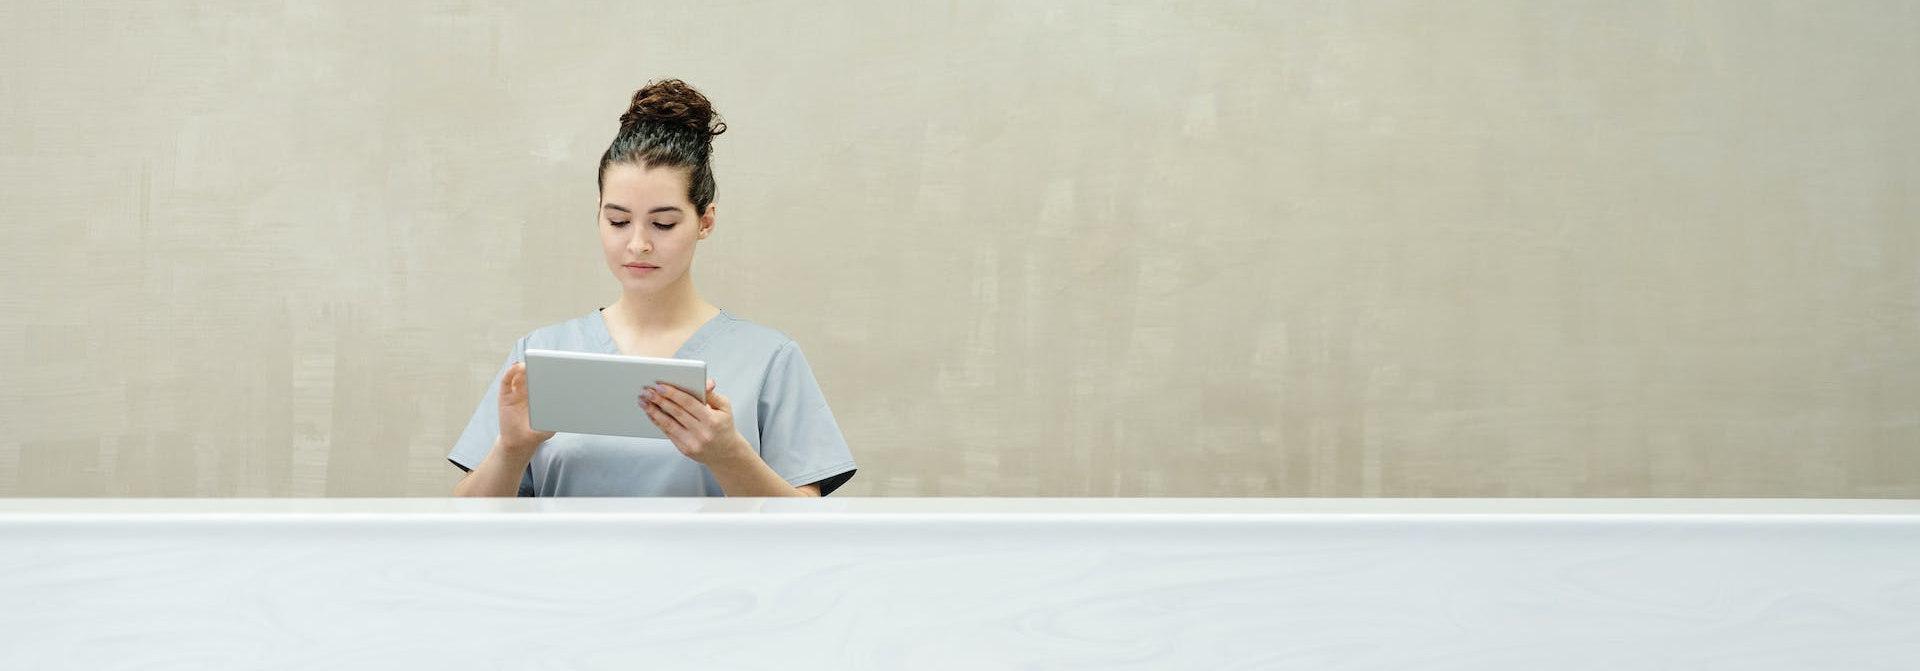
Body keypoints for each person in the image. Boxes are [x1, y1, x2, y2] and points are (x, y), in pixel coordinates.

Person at [448, 79, 856, 497]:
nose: (638, 243)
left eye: (663, 223)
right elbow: (463, 522)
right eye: (618, 221)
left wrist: (728, 455)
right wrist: (512, 450)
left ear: (706, 221)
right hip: (565, 565)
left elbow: (807, 527)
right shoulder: (540, 356)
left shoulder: (770, 360)